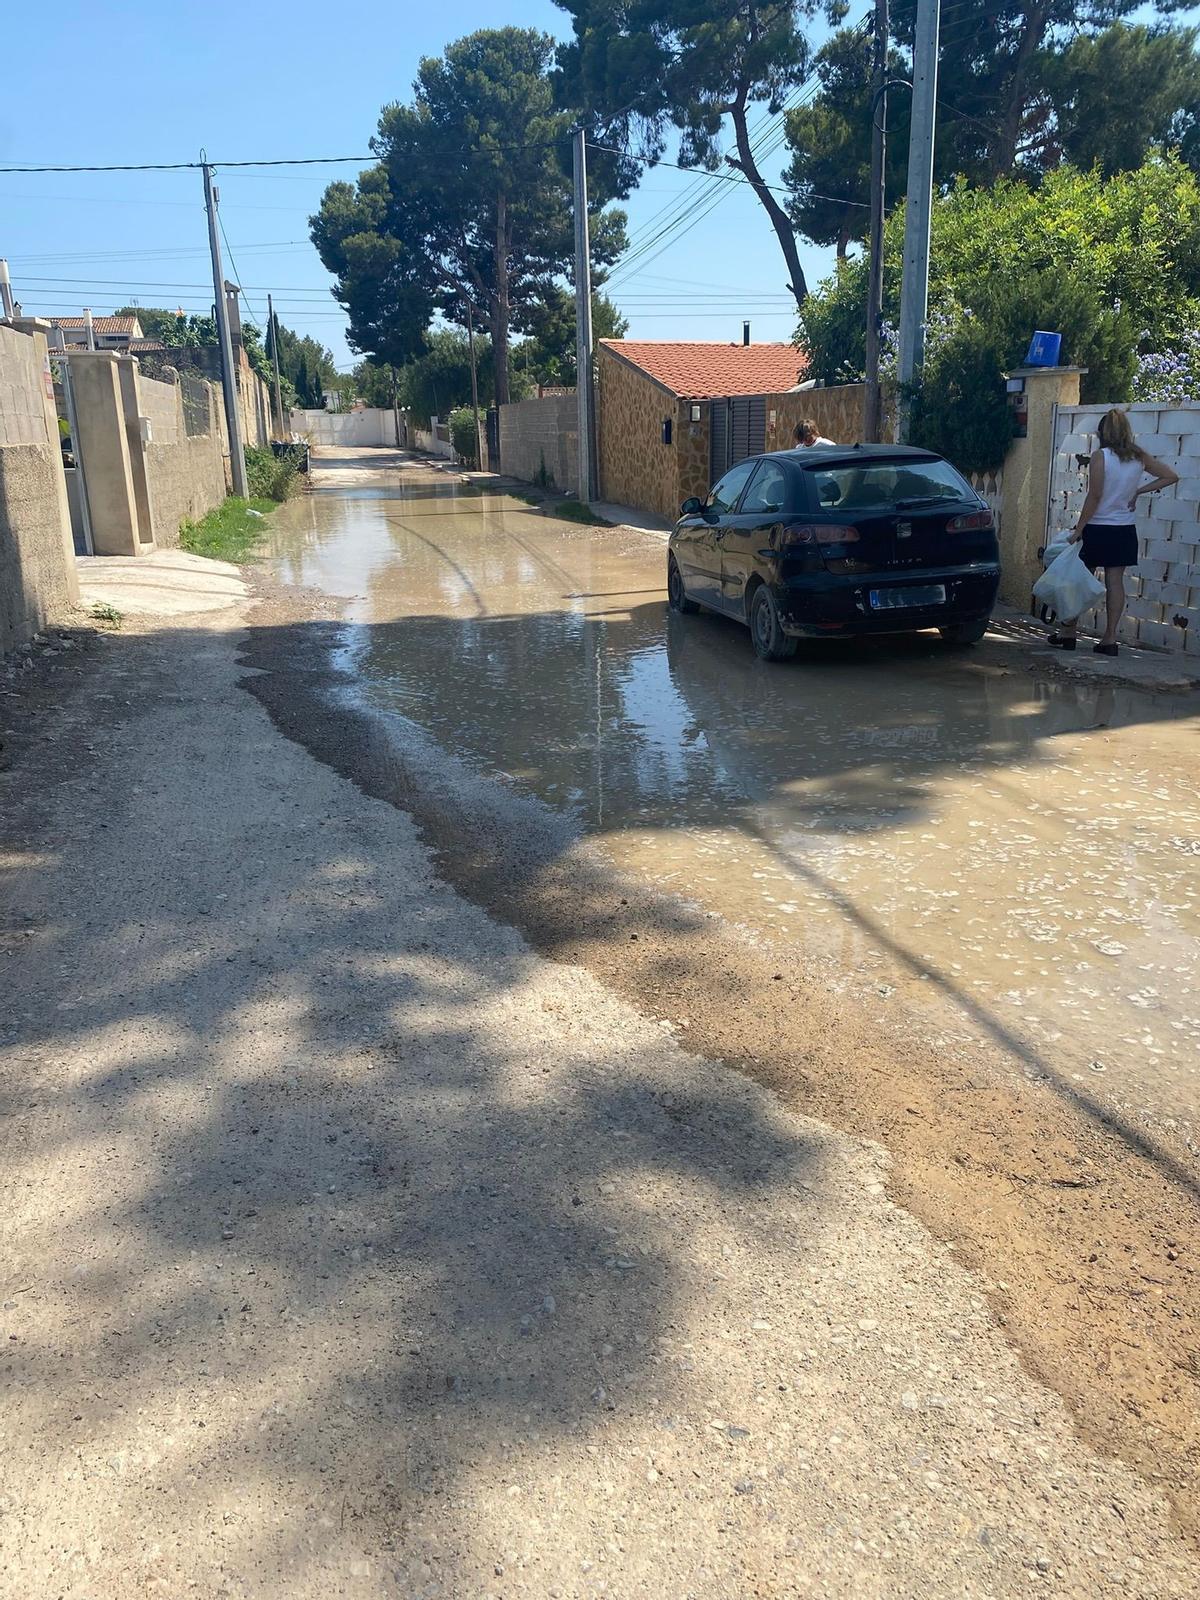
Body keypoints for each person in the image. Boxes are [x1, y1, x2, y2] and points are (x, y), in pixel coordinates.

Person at [1049, 408, 1178, 656]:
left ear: (1102, 432)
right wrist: (1139, 491)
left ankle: (1068, 632)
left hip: (1098, 528)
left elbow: (1095, 495)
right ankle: (1109, 639)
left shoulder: (1101, 456)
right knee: (1115, 582)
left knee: (1080, 579)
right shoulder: (1138, 456)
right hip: (1124, 529)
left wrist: (1079, 529)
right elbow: (1170, 476)